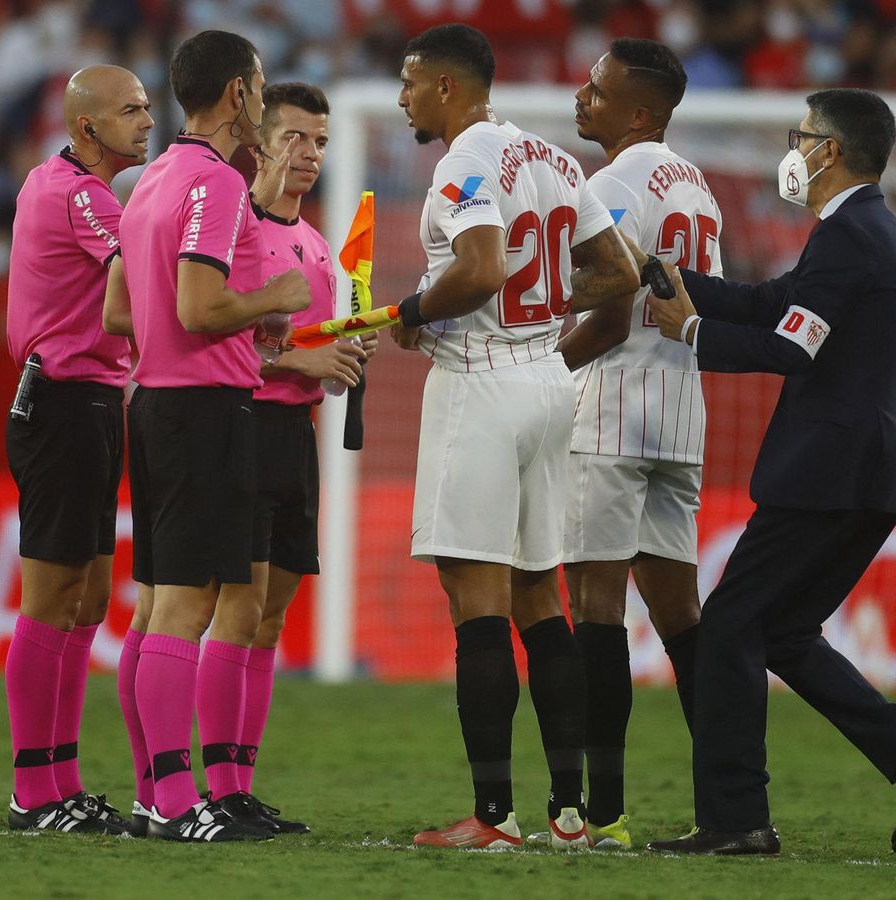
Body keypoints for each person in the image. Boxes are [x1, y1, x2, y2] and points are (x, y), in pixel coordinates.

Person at [642, 89, 896, 857]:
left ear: (835, 151)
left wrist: (688, 330)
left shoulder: (850, 235)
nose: (795, 146)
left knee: (727, 626)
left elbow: (793, 347)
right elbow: (778, 301)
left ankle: (735, 820)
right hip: (870, 471)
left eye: (805, 135)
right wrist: (676, 279)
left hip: (828, 469)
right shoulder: (864, 231)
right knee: (782, 632)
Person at [392, 23, 638, 851]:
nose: (403, 98)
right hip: (547, 378)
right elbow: (620, 274)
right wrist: (546, 305)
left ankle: (491, 818)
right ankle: (570, 815)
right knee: (542, 597)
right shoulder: (558, 160)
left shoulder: (464, 159)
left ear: (449, 89)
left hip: (482, 382)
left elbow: (483, 267)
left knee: (477, 601)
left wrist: (410, 311)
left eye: (412, 82)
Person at [103, 29, 308, 843]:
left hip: (154, 403)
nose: (262, 103)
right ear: (237, 96)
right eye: (259, 89)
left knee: (158, 610)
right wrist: (273, 299)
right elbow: (197, 306)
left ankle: (159, 792)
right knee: (188, 609)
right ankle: (176, 802)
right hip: (204, 413)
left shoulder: (151, 176)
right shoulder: (219, 185)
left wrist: (235, 334)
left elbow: (123, 311)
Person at [555, 37, 718, 851]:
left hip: (613, 412)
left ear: (640, 113)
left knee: (595, 609)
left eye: (598, 89)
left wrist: (542, 373)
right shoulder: (698, 187)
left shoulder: (612, 183)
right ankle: (729, 804)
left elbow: (613, 312)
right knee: (683, 616)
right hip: (680, 413)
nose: (583, 98)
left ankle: (607, 815)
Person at [2, 64, 151, 834]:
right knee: (53, 598)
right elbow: (135, 291)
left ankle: (62, 781)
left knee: (89, 598)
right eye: (131, 111)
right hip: (61, 401)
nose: (148, 121)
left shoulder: (49, 184)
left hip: (90, 403)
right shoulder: (78, 196)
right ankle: (36, 788)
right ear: (87, 128)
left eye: (149, 107)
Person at [232, 81, 377, 833]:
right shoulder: (230, 230)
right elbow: (200, 341)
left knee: (271, 620)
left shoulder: (320, 247)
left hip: (297, 440)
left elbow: (313, 346)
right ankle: (214, 786)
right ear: (258, 142)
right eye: (294, 138)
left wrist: (344, 350)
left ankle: (240, 785)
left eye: (319, 141)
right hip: (240, 429)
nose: (309, 154)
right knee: (239, 611)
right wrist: (302, 363)